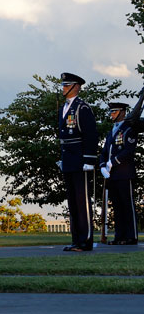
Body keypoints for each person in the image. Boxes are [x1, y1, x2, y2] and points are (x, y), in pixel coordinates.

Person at [58, 72, 98, 252]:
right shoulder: (64, 108)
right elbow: (64, 136)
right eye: (63, 85)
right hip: (69, 159)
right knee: (73, 202)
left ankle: (86, 240)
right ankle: (76, 240)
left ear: (76, 87)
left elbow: (91, 135)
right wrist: (62, 158)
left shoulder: (83, 108)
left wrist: (89, 159)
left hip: (80, 159)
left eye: (67, 85)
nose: (64, 88)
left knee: (83, 202)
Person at [99, 102, 138, 245]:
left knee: (127, 206)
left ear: (122, 112)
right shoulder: (112, 131)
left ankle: (131, 236)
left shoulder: (128, 130)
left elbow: (128, 151)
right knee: (117, 207)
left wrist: (113, 162)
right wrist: (103, 166)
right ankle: (119, 236)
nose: (112, 114)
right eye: (111, 112)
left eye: (114, 112)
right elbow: (104, 152)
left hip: (124, 173)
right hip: (112, 175)